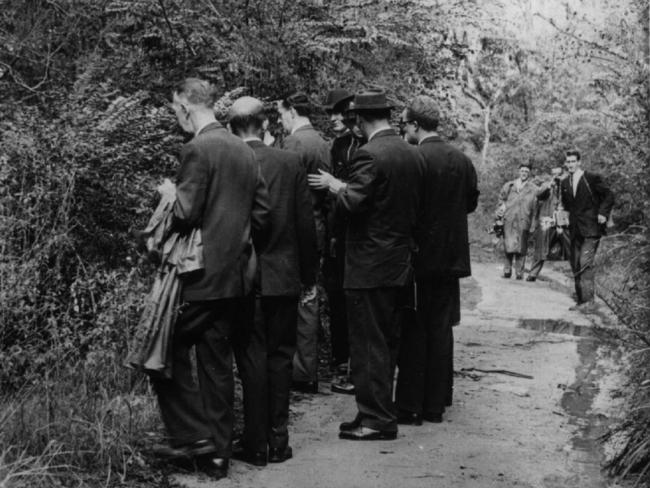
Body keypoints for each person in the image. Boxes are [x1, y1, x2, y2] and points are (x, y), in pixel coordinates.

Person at [152, 79, 270, 480]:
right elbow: (263, 216)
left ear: (186, 106)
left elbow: (185, 213)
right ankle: (216, 456)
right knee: (214, 359)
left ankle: (193, 436)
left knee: (162, 350)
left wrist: (169, 193)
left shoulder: (197, 149)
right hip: (237, 278)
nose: (176, 118)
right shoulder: (245, 150)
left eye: (174, 110)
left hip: (201, 277)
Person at [309, 89, 423, 441]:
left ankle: (376, 419)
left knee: (367, 343)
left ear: (359, 119)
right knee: (387, 341)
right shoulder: (412, 153)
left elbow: (352, 205)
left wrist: (333, 187)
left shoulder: (369, 155)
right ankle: (375, 412)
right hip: (399, 262)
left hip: (369, 263)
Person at [228, 96, 318, 465]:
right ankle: (278, 440)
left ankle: (255, 443)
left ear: (232, 129)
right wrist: (309, 276)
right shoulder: (290, 162)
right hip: (283, 275)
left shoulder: (230, 162)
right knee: (280, 357)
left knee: (250, 359)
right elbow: (304, 224)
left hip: (242, 278)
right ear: (265, 125)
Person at [395, 95, 479, 424]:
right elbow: (470, 203)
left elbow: (407, 208)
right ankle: (436, 403)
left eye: (405, 124)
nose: (404, 130)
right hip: (451, 258)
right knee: (441, 329)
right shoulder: (461, 160)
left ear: (415, 125)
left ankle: (411, 405)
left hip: (418, 258)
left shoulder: (415, 158)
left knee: (414, 329)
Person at [278, 92, 331, 393]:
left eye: (282, 113)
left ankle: (298, 370)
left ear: (292, 111)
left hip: (296, 232)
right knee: (310, 297)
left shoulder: (293, 144)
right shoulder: (322, 143)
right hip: (317, 228)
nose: (280, 120)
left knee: (296, 300)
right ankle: (306, 368)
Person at [321, 88, 365, 394]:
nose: (336, 119)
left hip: (364, 237)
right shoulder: (339, 146)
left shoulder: (370, 145)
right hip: (339, 234)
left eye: (341, 113)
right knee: (338, 301)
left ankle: (359, 367)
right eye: (332, 114)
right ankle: (341, 362)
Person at [560, 149, 614, 311]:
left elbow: (609, 195)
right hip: (574, 230)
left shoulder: (591, 178)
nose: (570, 164)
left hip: (592, 229)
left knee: (585, 263)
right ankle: (582, 301)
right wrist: (558, 222)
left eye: (572, 161)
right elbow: (566, 207)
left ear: (579, 162)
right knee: (576, 264)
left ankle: (589, 302)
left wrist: (603, 213)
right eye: (567, 162)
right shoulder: (564, 183)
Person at [527, 166, 571, 282]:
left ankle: (575, 277)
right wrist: (549, 185)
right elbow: (538, 194)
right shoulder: (547, 186)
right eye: (554, 174)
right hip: (547, 223)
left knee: (570, 248)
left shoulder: (568, 186)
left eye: (559, 174)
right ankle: (533, 274)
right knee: (541, 249)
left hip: (563, 223)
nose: (556, 176)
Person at [497, 163, 538, 279]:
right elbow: (501, 199)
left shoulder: (533, 189)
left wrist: (533, 224)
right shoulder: (509, 186)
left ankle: (519, 272)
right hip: (509, 219)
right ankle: (507, 270)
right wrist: (501, 210)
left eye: (526, 171)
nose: (524, 173)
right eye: (522, 170)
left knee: (522, 246)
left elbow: (535, 208)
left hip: (524, 220)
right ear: (519, 171)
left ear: (529, 173)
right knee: (508, 244)